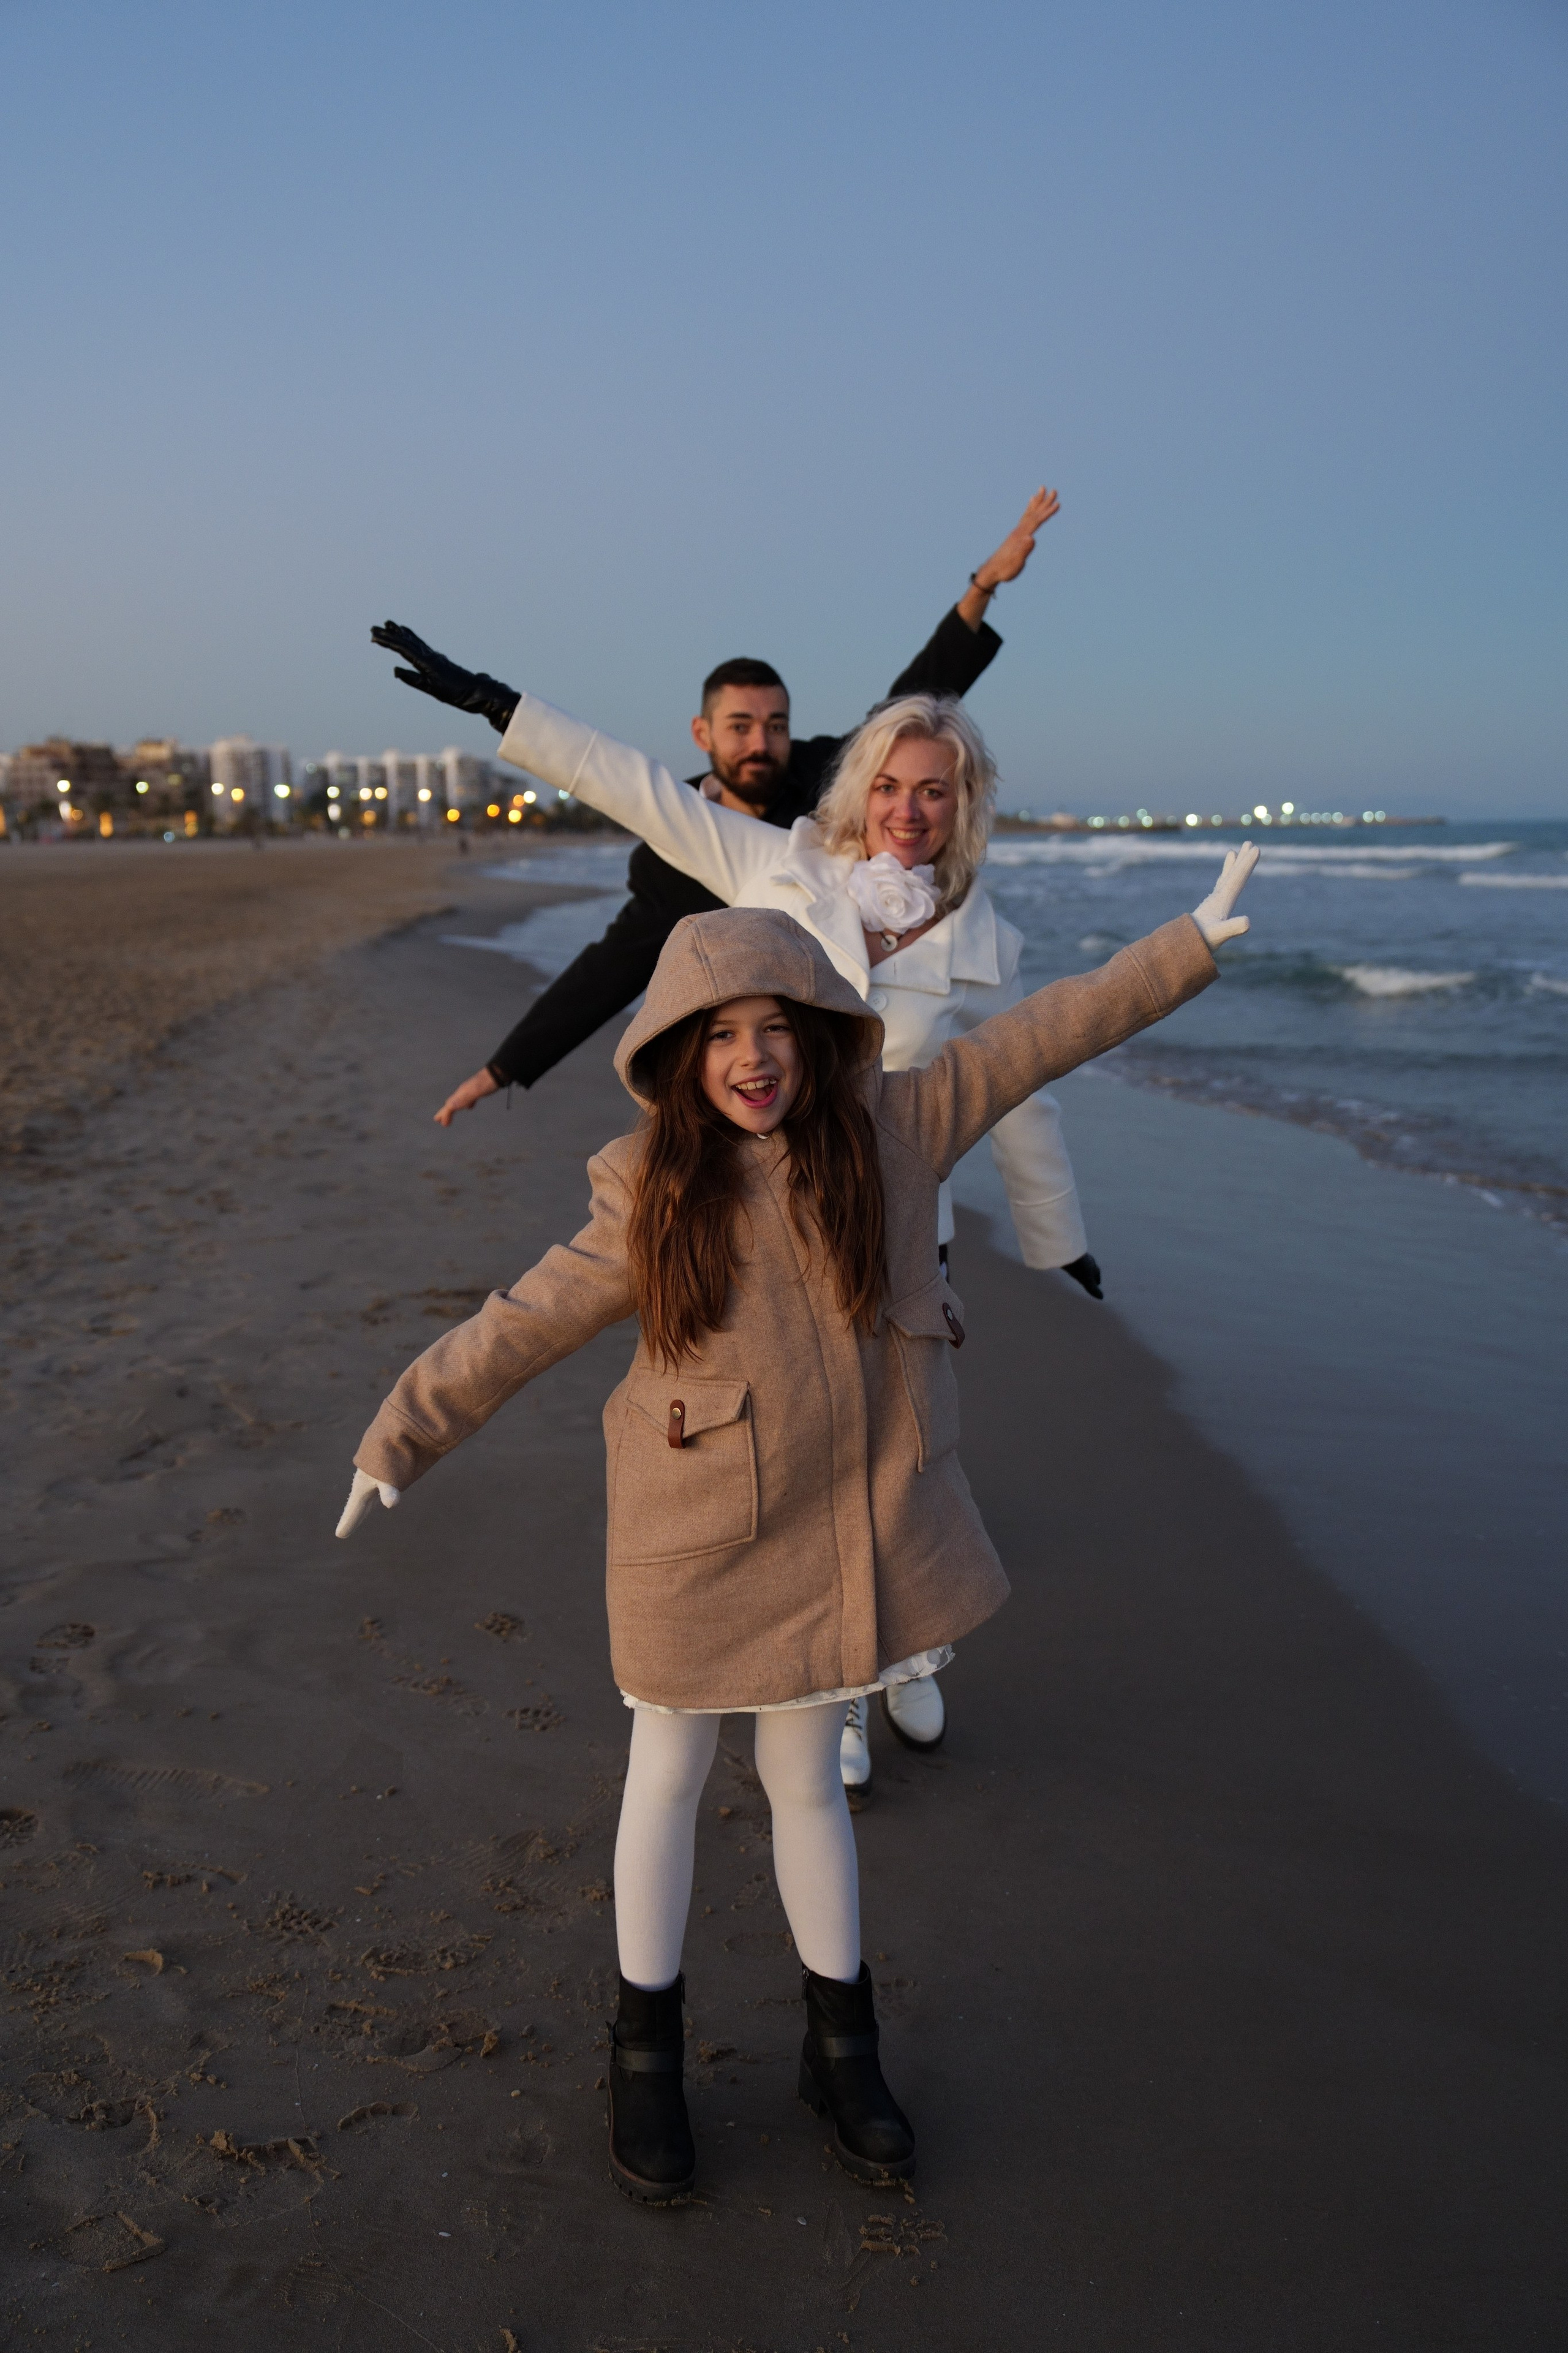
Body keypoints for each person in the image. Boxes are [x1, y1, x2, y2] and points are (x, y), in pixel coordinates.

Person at [336, 853, 1257, 2204]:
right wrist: (400, 1435)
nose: (752, 1059)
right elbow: (519, 1321)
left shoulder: (895, 1125)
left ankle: (842, 2050)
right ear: (675, 1054)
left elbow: (1046, 1030)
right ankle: (641, 2055)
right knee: (665, 1778)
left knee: (806, 1783)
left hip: (838, 1529)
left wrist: (1184, 942)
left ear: (821, 1033)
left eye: (776, 1027)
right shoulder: (644, 1185)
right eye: (718, 1035)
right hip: (693, 1530)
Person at [448, 668, 1102, 1788]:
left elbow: (1016, 1091)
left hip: (899, 1229)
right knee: (804, 1449)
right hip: (764, 1226)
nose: (909, 810)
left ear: (963, 804)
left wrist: (1059, 1235)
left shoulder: (983, 937)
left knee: (902, 1446)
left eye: (935, 792)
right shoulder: (782, 870)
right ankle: (835, 1693)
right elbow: (649, 794)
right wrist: (504, 710)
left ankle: (905, 1654)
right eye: (891, 784)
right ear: (863, 789)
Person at [369, 489, 1058, 1131]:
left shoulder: (825, 784)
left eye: (777, 725)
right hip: (745, 1084)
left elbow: (910, 717)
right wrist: (504, 1067)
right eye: (740, 726)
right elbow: (606, 968)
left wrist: (982, 587)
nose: (762, 743)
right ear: (702, 735)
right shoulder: (677, 860)